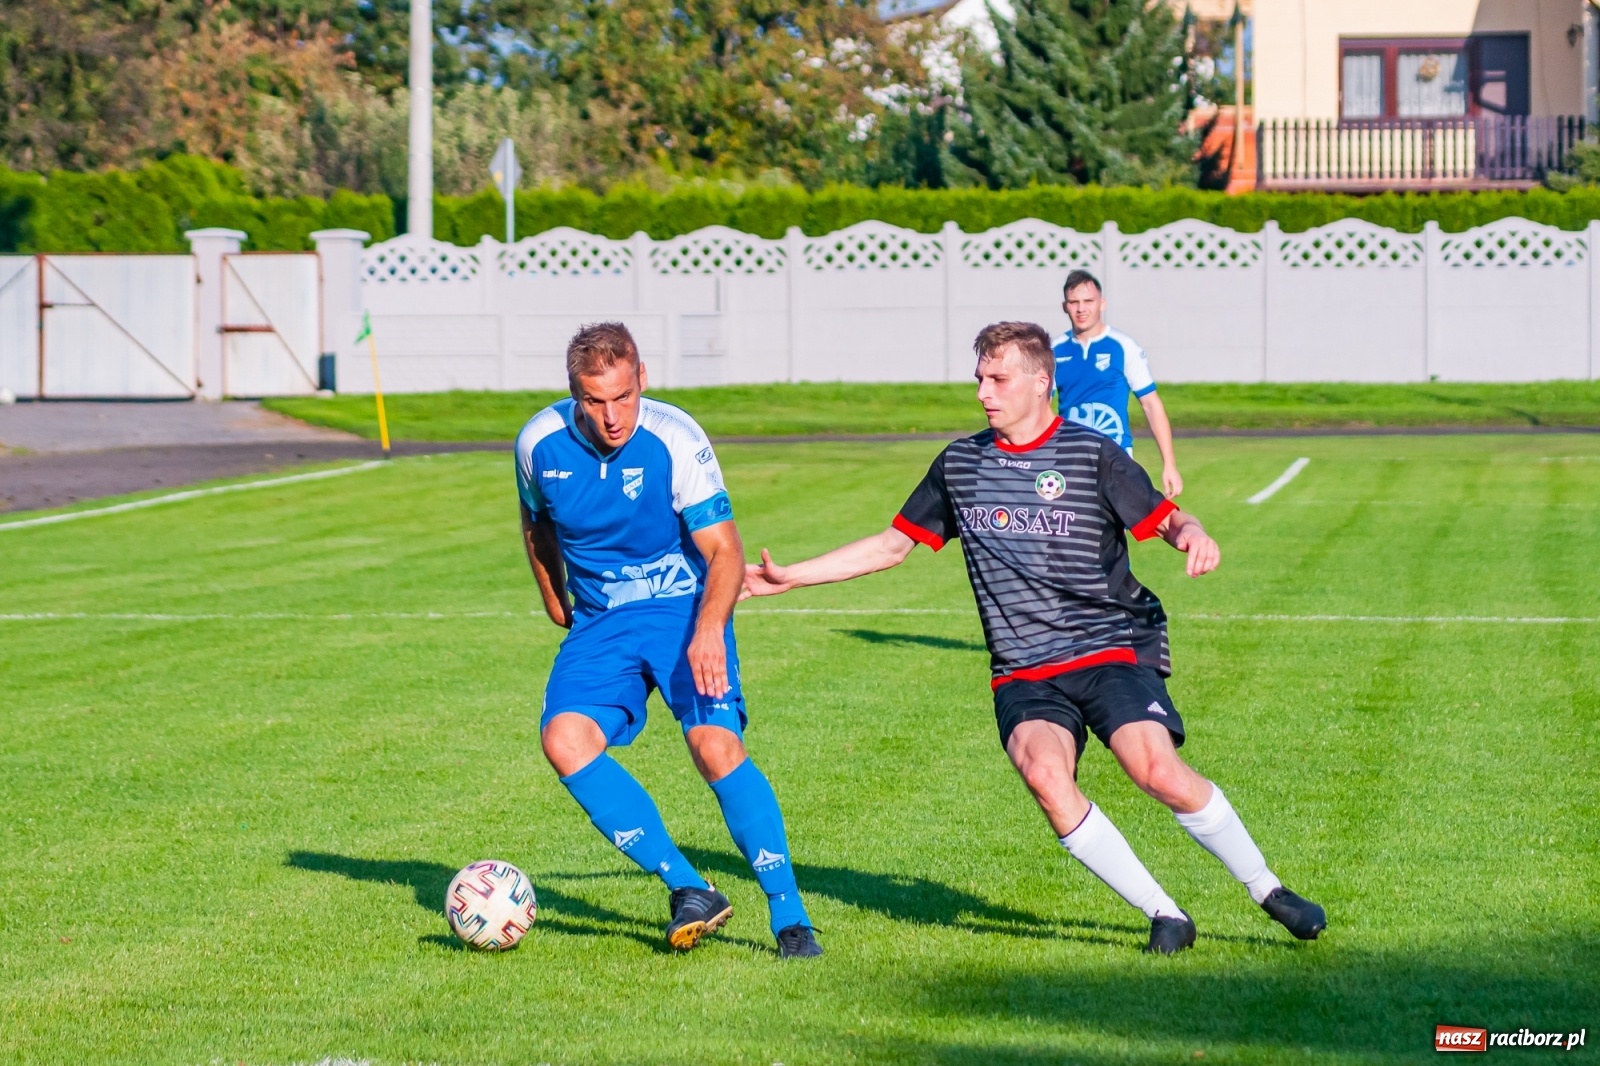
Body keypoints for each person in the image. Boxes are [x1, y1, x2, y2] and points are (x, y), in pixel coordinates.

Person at [742, 321, 1324, 954]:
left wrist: (1192, 533)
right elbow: (892, 544)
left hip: (1110, 646)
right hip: (1023, 668)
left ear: (1041, 381)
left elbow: (1166, 516)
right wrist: (790, 577)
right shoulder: (961, 465)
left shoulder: (1090, 454)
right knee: (1048, 778)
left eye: (998, 379)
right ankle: (1166, 915)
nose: (984, 394)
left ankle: (1266, 888)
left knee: (1155, 769)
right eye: (979, 380)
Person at [515, 322, 821, 958]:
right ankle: (689, 887)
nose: (611, 416)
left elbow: (726, 550)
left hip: (684, 609)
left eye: (622, 397)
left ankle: (789, 914)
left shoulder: (674, 437)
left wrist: (710, 630)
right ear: (573, 392)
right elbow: (536, 521)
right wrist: (554, 598)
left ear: (641, 378)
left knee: (713, 746)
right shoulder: (538, 444)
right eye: (595, 402)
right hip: (602, 622)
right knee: (564, 739)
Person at [1054, 270, 1183, 499]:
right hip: (1070, 456)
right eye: (1074, 302)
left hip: (1116, 456)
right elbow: (1037, 405)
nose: (1081, 309)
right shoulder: (1054, 350)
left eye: (1088, 301)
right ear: (1065, 306)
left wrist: (1169, 463)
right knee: (1074, 530)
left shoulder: (1123, 347)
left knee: (1115, 529)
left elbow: (1151, 404)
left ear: (1102, 304)